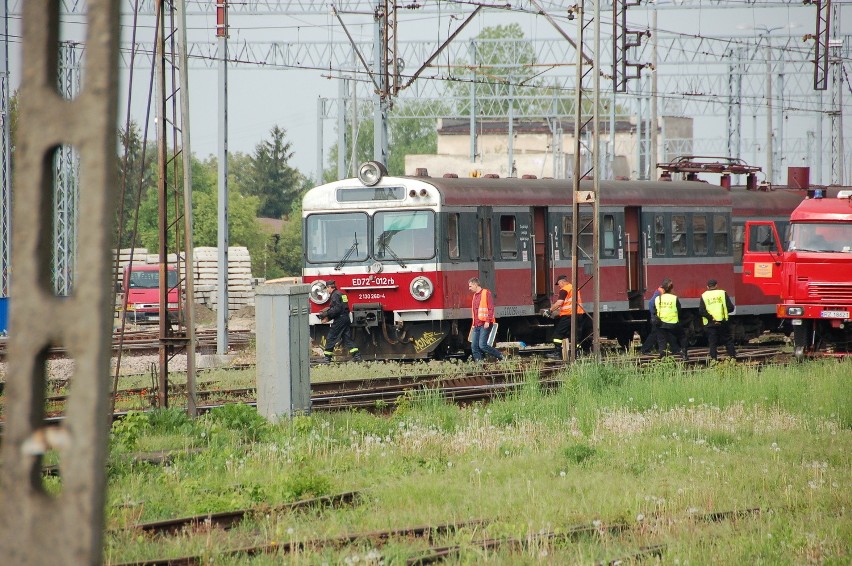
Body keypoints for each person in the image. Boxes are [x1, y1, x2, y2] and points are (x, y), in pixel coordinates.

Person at [546, 275, 591, 359]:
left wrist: (550, 310)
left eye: (558, 284)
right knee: (575, 335)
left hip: (568, 315)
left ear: (562, 282)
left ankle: (557, 353)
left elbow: (559, 303)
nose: (559, 286)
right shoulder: (574, 288)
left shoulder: (564, 289)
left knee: (558, 334)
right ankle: (576, 354)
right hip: (578, 315)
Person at [319, 280, 362, 363]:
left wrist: (326, 314)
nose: (327, 290)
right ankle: (357, 355)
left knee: (331, 337)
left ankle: (327, 358)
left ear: (330, 287)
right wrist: (330, 317)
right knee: (346, 338)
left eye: (327, 288)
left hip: (340, 319)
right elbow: (343, 307)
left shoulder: (334, 295)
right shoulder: (341, 294)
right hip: (345, 318)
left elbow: (337, 309)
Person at [699, 279, 737, 361]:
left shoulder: (704, 295)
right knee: (728, 340)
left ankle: (714, 360)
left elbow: (701, 311)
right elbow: (731, 308)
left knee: (712, 343)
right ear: (716, 285)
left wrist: (711, 318)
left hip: (710, 324)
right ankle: (733, 357)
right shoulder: (722, 293)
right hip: (722, 322)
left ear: (707, 287)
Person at [468, 277, 504, 362]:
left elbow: (491, 308)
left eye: (470, 286)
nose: (469, 288)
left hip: (485, 324)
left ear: (475, 285)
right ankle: (479, 365)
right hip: (476, 325)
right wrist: (473, 324)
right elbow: (475, 311)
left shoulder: (486, 293)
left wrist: (488, 321)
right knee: (474, 347)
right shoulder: (475, 296)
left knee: (483, 345)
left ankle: (501, 356)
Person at [652, 279, 688, 361]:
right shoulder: (674, 298)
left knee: (662, 340)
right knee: (683, 337)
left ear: (663, 289)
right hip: (673, 323)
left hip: (661, 324)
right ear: (671, 288)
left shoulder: (658, 299)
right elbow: (679, 310)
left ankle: (663, 356)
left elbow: (654, 311)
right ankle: (684, 354)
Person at [640, 278, 671, 355]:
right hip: (656, 318)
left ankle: (655, 349)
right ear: (667, 286)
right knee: (654, 334)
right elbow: (651, 303)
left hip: (657, 317)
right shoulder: (659, 292)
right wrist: (654, 314)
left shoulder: (660, 291)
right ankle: (645, 349)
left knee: (657, 333)